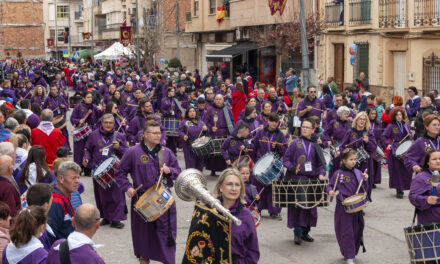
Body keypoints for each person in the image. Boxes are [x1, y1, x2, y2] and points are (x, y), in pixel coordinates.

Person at [115, 121, 181, 264]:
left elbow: (178, 171)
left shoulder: (165, 152)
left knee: (166, 233)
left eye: (159, 133)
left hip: (163, 198)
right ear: (145, 135)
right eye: (155, 133)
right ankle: (144, 259)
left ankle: (169, 260)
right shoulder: (133, 152)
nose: (159, 135)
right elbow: (120, 173)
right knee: (143, 235)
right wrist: (127, 187)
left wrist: (170, 171)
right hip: (142, 199)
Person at [283, 117, 326, 245]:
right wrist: (291, 168)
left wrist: (321, 174)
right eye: (303, 126)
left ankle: (305, 232)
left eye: (307, 127)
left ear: (313, 130)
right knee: (298, 207)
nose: (304, 129)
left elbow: (321, 164)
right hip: (297, 179)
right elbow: (286, 159)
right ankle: (297, 233)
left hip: (311, 180)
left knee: (310, 209)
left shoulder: (315, 145)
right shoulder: (294, 143)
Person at [83, 114, 128, 229]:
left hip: (116, 171)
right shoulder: (94, 135)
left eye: (110, 123)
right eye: (106, 122)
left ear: (114, 124)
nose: (108, 125)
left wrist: (119, 148)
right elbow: (87, 149)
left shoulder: (119, 136)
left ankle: (116, 219)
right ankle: (107, 217)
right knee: (102, 196)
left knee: (116, 195)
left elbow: (127, 154)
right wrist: (86, 158)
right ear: (101, 123)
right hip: (98, 170)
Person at [328, 149, 368, 264]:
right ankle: (349, 255)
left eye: (355, 159)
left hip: (357, 207)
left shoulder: (358, 172)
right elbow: (330, 186)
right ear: (344, 160)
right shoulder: (338, 173)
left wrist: (365, 179)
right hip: (343, 208)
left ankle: (351, 252)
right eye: (351, 159)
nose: (353, 162)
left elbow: (363, 189)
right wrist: (330, 191)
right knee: (347, 232)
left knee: (357, 230)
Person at [212, 168, 260, 263]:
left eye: (237, 185)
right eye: (229, 184)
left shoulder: (246, 215)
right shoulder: (209, 210)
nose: (234, 189)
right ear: (220, 187)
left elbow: (253, 251)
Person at [251, 113, 287, 219]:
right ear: (268, 121)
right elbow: (254, 145)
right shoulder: (261, 132)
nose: (274, 123)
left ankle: (274, 211)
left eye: (276, 122)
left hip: (275, 165)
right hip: (261, 163)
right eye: (272, 121)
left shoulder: (280, 135)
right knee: (259, 186)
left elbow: (285, 150)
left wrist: (278, 147)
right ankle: (258, 208)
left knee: (274, 188)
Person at [381, 108, 413, 199]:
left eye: (400, 115)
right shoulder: (391, 126)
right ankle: (399, 190)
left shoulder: (406, 125)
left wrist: (411, 135)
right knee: (397, 171)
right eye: (397, 115)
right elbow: (383, 136)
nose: (399, 116)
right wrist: (387, 144)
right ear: (394, 116)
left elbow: (409, 137)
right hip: (395, 149)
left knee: (405, 170)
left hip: (405, 150)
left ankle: (403, 187)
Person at [48, 161, 81, 244]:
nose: (77, 181)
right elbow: (50, 236)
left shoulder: (65, 196)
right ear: (61, 179)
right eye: (73, 178)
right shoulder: (56, 203)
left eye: (78, 177)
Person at [70, 92, 102, 176]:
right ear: (83, 98)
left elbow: (100, 117)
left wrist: (101, 110)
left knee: (90, 149)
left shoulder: (94, 107)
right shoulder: (78, 107)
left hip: (91, 131)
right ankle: (79, 167)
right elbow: (72, 118)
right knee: (79, 149)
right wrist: (78, 121)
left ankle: (88, 167)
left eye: (91, 97)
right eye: (88, 97)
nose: (90, 99)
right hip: (81, 130)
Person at [204, 94, 234, 176]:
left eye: (220, 99)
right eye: (216, 99)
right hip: (214, 133)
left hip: (225, 132)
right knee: (214, 154)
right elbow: (206, 122)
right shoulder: (210, 109)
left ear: (223, 100)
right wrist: (210, 128)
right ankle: (213, 169)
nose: (218, 101)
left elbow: (231, 121)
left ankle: (224, 169)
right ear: (214, 100)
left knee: (223, 152)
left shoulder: (227, 109)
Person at [409, 150, 440, 225]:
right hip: (431, 220)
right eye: (434, 159)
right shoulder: (421, 177)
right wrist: (426, 200)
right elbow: (412, 197)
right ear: (428, 162)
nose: (438, 161)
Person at [26, 183, 54, 251]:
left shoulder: (25, 218)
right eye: (51, 200)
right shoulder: (38, 230)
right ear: (45, 205)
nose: (52, 203)